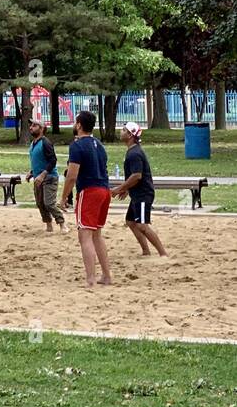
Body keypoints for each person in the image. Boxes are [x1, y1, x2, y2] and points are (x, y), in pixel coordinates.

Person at [61, 109, 112, 287]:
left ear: (80, 125)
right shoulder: (99, 145)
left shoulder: (77, 145)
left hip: (89, 191)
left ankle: (91, 278)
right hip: (104, 190)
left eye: (76, 122)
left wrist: (63, 197)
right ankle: (106, 276)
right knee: (96, 234)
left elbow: (72, 175)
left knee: (85, 236)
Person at [114, 121, 166, 257]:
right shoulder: (132, 151)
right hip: (137, 193)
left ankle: (163, 254)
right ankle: (146, 251)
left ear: (131, 135)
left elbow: (137, 176)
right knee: (131, 221)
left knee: (142, 225)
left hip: (143, 194)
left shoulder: (134, 153)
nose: (121, 131)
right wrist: (126, 189)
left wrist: (119, 188)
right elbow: (133, 175)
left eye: (124, 130)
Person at [27, 118, 65, 232]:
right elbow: (39, 161)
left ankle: (62, 223)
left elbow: (53, 161)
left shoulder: (46, 142)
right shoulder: (33, 144)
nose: (31, 127)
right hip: (38, 178)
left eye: (34, 125)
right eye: (31, 125)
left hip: (49, 177)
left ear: (42, 128)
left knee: (49, 203)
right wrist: (32, 172)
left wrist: (43, 174)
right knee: (40, 203)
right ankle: (49, 226)